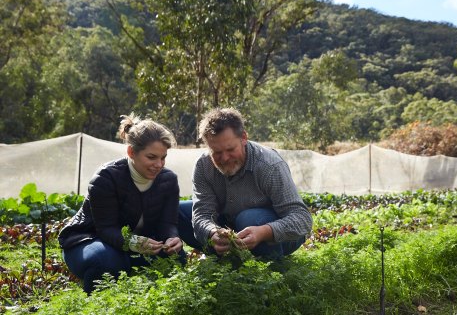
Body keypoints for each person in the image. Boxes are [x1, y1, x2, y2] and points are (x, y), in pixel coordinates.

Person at [58, 114, 185, 294]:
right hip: (89, 240)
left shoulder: (168, 180)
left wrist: (172, 238)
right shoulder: (105, 178)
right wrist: (135, 243)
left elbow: (168, 223)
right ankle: (96, 306)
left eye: (163, 158)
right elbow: (106, 229)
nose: (159, 164)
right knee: (106, 262)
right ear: (131, 152)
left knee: (178, 257)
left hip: (132, 244)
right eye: (151, 157)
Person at [178, 107, 312, 260]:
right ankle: (228, 260)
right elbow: (202, 213)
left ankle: (271, 271)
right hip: (230, 225)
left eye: (230, 149)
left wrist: (264, 232)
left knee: (248, 218)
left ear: (243, 138)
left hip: (278, 235)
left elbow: (302, 219)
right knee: (178, 212)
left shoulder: (269, 166)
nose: (225, 158)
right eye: (217, 152)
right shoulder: (203, 166)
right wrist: (212, 233)